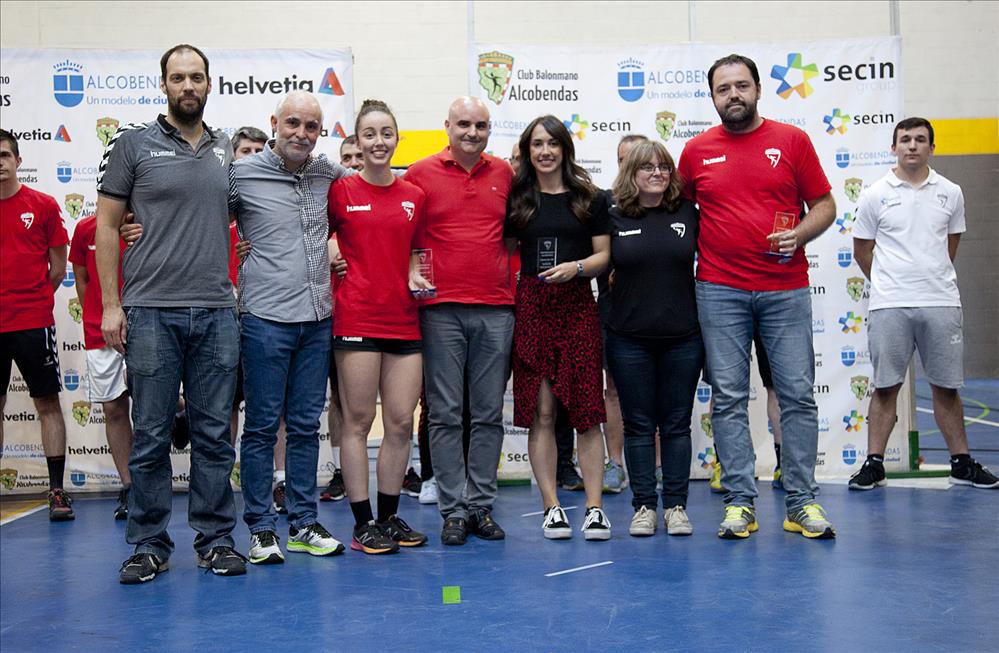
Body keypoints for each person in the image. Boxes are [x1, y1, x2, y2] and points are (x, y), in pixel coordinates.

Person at [96, 44, 245, 583]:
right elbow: (108, 227)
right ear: (163, 84)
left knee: (212, 436)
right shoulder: (132, 145)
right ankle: (148, 544)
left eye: (197, 77)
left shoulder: (225, 149)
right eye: (178, 77)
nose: (188, 86)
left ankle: (215, 539)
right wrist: (112, 305)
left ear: (210, 85)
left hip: (215, 313)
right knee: (152, 436)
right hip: (150, 312)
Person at [678, 54, 837, 540]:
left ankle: (802, 501)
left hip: (784, 290)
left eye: (741, 86)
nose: (733, 96)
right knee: (727, 398)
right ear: (712, 97)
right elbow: (677, 219)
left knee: (797, 396)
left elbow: (826, 206)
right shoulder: (696, 150)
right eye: (723, 89)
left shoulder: (792, 141)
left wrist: (801, 234)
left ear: (757, 90)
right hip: (719, 289)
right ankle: (740, 503)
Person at [231, 91, 354, 565]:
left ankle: (303, 522)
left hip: (318, 319)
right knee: (262, 428)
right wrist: (134, 225)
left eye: (312, 126)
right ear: (274, 124)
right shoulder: (239, 174)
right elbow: (196, 219)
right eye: (293, 124)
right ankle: (262, 528)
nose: (302, 133)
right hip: (263, 320)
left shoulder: (327, 173)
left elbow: (375, 189)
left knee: (305, 426)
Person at [850, 117, 997, 491]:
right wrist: (889, 282)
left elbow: (951, 245)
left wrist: (928, 278)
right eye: (905, 139)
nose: (912, 145)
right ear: (893, 147)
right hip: (890, 305)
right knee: (886, 387)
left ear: (932, 147)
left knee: (946, 387)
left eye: (920, 140)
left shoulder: (951, 191)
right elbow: (862, 250)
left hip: (941, 303)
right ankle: (874, 464)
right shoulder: (874, 194)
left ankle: (961, 464)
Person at [404, 97, 514, 546]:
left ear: (489, 129)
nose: (472, 132)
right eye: (463, 124)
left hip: (496, 308)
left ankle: (481, 506)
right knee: (445, 414)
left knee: (488, 415)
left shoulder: (505, 173)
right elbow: (403, 235)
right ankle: (452, 509)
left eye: (481, 125)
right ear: (446, 125)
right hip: (440, 310)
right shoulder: (419, 173)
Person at [328, 99, 433, 555]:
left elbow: (416, 254)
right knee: (357, 421)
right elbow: (318, 234)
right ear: (357, 140)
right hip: (356, 318)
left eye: (386, 133)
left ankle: (389, 517)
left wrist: (415, 274)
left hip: (404, 321)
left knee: (399, 423)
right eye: (369, 134)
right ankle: (361, 521)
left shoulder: (415, 195)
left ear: (396, 138)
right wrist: (332, 250)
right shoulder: (341, 192)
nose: (378, 142)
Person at [504, 115, 612, 541]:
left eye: (552, 143)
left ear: (565, 148)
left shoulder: (591, 197)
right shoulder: (517, 199)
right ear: (527, 151)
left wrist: (578, 268)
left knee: (588, 415)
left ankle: (595, 508)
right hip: (531, 308)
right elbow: (505, 253)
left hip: (578, 307)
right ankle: (551, 506)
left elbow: (605, 255)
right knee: (542, 413)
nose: (545, 151)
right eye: (536, 144)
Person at [606, 140, 702, 537]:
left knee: (677, 425)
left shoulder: (688, 212)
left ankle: (676, 507)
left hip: (683, 337)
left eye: (664, 166)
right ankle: (644, 506)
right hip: (628, 339)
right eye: (648, 167)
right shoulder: (611, 215)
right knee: (639, 425)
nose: (658, 173)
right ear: (632, 173)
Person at [0, 129, 72, 521]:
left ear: (17, 160)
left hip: (32, 322)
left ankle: (57, 491)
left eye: (4, 155)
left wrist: (30, 297)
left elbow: (58, 267)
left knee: (47, 404)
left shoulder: (42, 205)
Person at [225, 125, 294, 516]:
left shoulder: (275, 209)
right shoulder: (219, 215)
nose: (251, 157)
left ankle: (281, 481)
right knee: (228, 406)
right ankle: (229, 480)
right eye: (244, 151)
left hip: (269, 319)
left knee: (275, 409)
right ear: (233, 159)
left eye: (257, 150)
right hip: (227, 322)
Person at [69, 211, 132, 520]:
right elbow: (81, 278)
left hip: (148, 325)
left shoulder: (147, 221)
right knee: (114, 410)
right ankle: (130, 487)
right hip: (100, 331)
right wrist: (97, 314)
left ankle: (179, 407)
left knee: (154, 407)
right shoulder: (85, 228)